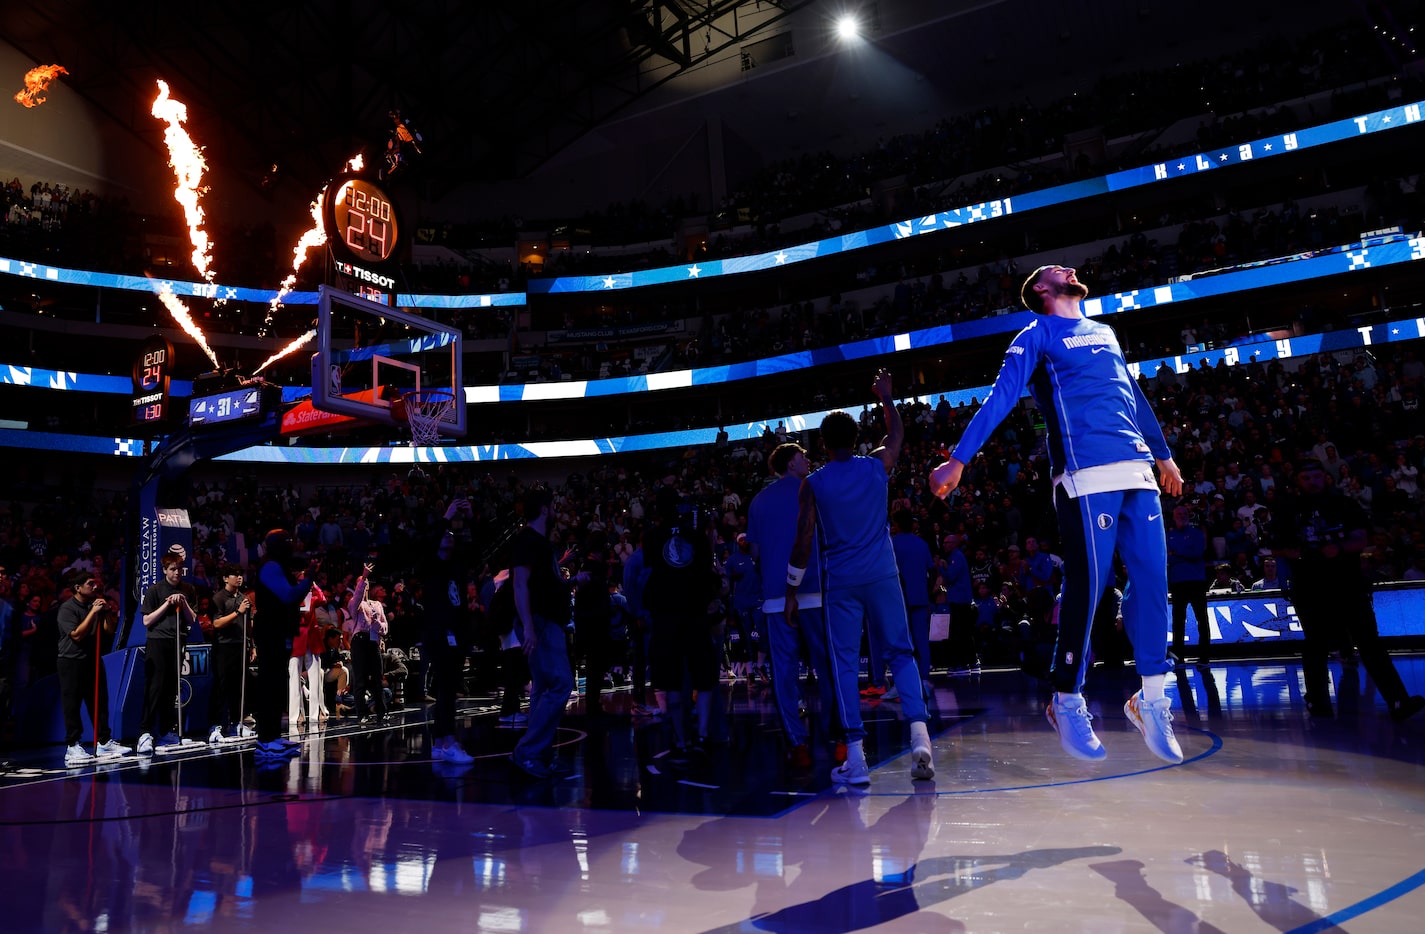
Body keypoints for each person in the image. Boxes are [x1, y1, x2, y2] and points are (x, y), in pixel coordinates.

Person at [930, 264, 1185, 764]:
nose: (1071, 268)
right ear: (1042, 290)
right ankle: (1067, 698)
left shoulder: (1105, 331)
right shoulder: (1037, 334)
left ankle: (1151, 698)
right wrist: (959, 459)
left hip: (1136, 468)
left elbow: (1132, 395)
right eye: (1057, 269)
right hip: (1084, 472)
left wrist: (1164, 454)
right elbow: (1002, 396)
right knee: (1091, 588)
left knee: (1154, 582)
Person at [788, 369, 934, 785]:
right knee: (901, 654)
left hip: (842, 581)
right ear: (855, 440)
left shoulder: (813, 484)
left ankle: (855, 758)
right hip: (882, 574)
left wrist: (792, 588)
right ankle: (920, 736)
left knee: (846, 666)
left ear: (822, 443)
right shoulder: (876, 467)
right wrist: (886, 397)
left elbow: (802, 541)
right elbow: (897, 438)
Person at [1270, 459, 1424, 721]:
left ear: (1325, 477)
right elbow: (1275, 548)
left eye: (1316, 476)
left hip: (1347, 583)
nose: (1312, 482)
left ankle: (1398, 700)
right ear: (1298, 481)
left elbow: (1362, 538)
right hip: (1310, 587)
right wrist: (1291, 552)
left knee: (1368, 642)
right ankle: (1318, 701)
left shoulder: (1344, 504)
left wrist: (1339, 549)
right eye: (1306, 478)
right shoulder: (1288, 510)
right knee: (1316, 644)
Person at [747, 441, 839, 769]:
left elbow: (755, 554)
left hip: (775, 598)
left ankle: (797, 743)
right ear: (790, 463)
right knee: (827, 667)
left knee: (784, 674)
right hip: (815, 592)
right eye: (803, 456)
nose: (808, 460)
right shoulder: (817, 490)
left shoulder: (758, 502)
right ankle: (839, 740)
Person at [643, 486, 724, 762]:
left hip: (665, 618)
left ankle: (680, 741)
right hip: (694, 614)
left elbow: (648, 574)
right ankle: (701, 737)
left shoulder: (651, 537)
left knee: (672, 683)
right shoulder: (695, 535)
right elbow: (707, 572)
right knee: (704, 680)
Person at [510, 487, 574, 778]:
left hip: (545, 622)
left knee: (543, 689)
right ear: (545, 509)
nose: (557, 509)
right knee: (561, 684)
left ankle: (540, 754)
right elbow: (520, 584)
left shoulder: (539, 543)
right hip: (541, 623)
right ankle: (529, 751)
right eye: (553, 504)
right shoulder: (528, 540)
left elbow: (539, 581)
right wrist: (530, 627)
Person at [251, 530, 316, 759]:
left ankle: (274, 736)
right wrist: (308, 579)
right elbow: (289, 596)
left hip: (279, 632)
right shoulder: (269, 566)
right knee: (269, 685)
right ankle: (265, 741)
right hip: (270, 632)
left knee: (278, 684)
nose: (291, 545)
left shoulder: (278, 565)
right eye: (287, 542)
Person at [422, 498, 476, 765]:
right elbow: (428, 542)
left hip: (456, 631)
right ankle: (446, 741)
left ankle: (441, 741)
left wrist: (469, 518)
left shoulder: (457, 566)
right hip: (437, 631)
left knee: (448, 688)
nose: (448, 536)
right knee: (446, 688)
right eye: (445, 533)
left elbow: (476, 547)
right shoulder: (430, 565)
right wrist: (447, 515)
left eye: (451, 534)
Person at [56, 570, 130, 765]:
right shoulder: (67, 608)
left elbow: (109, 630)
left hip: (92, 660)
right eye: (90, 584)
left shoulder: (93, 606)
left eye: (95, 583)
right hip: (71, 661)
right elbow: (77, 635)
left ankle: (104, 741)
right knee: (72, 704)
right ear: (77, 588)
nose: (95, 586)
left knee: (99, 700)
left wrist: (106, 613)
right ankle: (72, 746)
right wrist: (93, 612)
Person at [137, 553, 196, 754]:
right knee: (155, 687)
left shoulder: (188, 589)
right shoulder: (154, 590)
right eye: (172, 569)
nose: (176, 573)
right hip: (157, 642)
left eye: (179, 569)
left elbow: (192, 619)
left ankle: (165, 731)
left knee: (172, 688)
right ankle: (145, 733)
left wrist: (183, 603)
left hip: (177, 641)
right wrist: (167, 604)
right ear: (164, 570)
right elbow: (146, 621)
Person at [891, 510, 937, 698]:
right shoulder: (922, 544)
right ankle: (924, 680)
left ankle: (901, 684)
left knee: (901, 642)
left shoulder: (892, 543)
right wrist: (929, 593)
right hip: (920, 597)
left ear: (897, 524)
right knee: (922, 641)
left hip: (899, 599)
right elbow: (932, 571)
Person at [207, 565, 252, 744]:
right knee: (221, 687)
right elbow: (216, 624)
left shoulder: (244, 598)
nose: (239, 578)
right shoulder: (218, 598)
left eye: (241, 574)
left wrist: (252, 645)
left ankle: (236, 723)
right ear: (226, 578)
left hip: (241, 646)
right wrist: (237, 612)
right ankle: (215, 725)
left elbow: (248, 623)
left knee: (238, 687)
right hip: (223, 647)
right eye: (235, 575)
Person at [1166, 505, 1211, 668]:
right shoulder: (1168, 535)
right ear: (1174, 516)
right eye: (1179, 514)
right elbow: (1167, 558)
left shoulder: (1197, 534)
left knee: (1202, 619)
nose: (1182, 516)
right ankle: (1178, 657)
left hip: (1196, 581)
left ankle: (1204, 657)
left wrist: (1176, 554)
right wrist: (1182, 555)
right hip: (1178, 582)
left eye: (1184, 513)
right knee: (1178, 621)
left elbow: (1197, 553)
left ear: (1189, 516)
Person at [346, 564, 390, 723]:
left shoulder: (376, 604)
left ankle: (382, 711)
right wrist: (363, 577)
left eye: (366, 585)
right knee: (360, 679)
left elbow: (385, 627)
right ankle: (362, 713)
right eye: (361, 584)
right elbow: (357, 597)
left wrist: (378, 624)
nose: (364, 587)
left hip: (373, 641)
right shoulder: (354, 603)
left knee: (377, 678)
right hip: (360, 641)